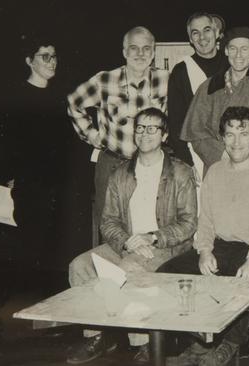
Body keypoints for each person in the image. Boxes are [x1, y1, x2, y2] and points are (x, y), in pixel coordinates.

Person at [66, 108, 197, 365]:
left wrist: (153, 237)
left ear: (164, 135)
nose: (144, 134)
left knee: (128, 269)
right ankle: (97, 335)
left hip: (164, 246)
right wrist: (126, 241)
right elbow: (108, 221)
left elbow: (189, 223)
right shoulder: (121, 173)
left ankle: (145, 344)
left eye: (152, 128)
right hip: (125, 243)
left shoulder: (181, 173)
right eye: (140, 128)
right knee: (80, 266)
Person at [159, 106, 249, 366]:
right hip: (218, 246)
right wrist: (204, 251)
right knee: (166, 275)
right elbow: (206, 220)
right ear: (223, 138)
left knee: (239, 283)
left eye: (243, 133)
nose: (236, 141)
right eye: (229, 134)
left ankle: (228, 345)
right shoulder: (215, 171)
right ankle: (198, 340)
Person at [67, 26, 169, 246]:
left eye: (146, 49)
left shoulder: (165, 79)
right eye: (134, 48)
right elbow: (74, 103)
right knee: (110, 228)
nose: (140, 54)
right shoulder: (104, 80)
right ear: (124, 52)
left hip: (152, 166)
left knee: (150, 224)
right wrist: (91, 135)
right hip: (113, 164)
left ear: (153, 52)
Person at [5, 35, 70, 271]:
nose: (52, 62)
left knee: (53, 250)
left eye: (54, 57)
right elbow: (9, 143)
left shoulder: (59, 97)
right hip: (31, 187)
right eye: (45, 57)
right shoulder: (18, 97)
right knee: (30, 248)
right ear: (29, 61)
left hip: (57, 188)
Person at [180, 26, 249, 170]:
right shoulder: (209, 87)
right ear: (225, 51)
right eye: (233, 49)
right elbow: (196, 133)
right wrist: (223, 156)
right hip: (219, 168)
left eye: (244, 49)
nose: (238, 55)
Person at [168, 12, 228, 174]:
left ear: (216, 33)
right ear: (190, 39)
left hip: (236, 149)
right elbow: (175, 122)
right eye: (195, 33)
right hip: (196, 155)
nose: (202, 37)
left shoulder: (231, 64)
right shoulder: (181, 71)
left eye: (207, 30)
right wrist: (187, 161)